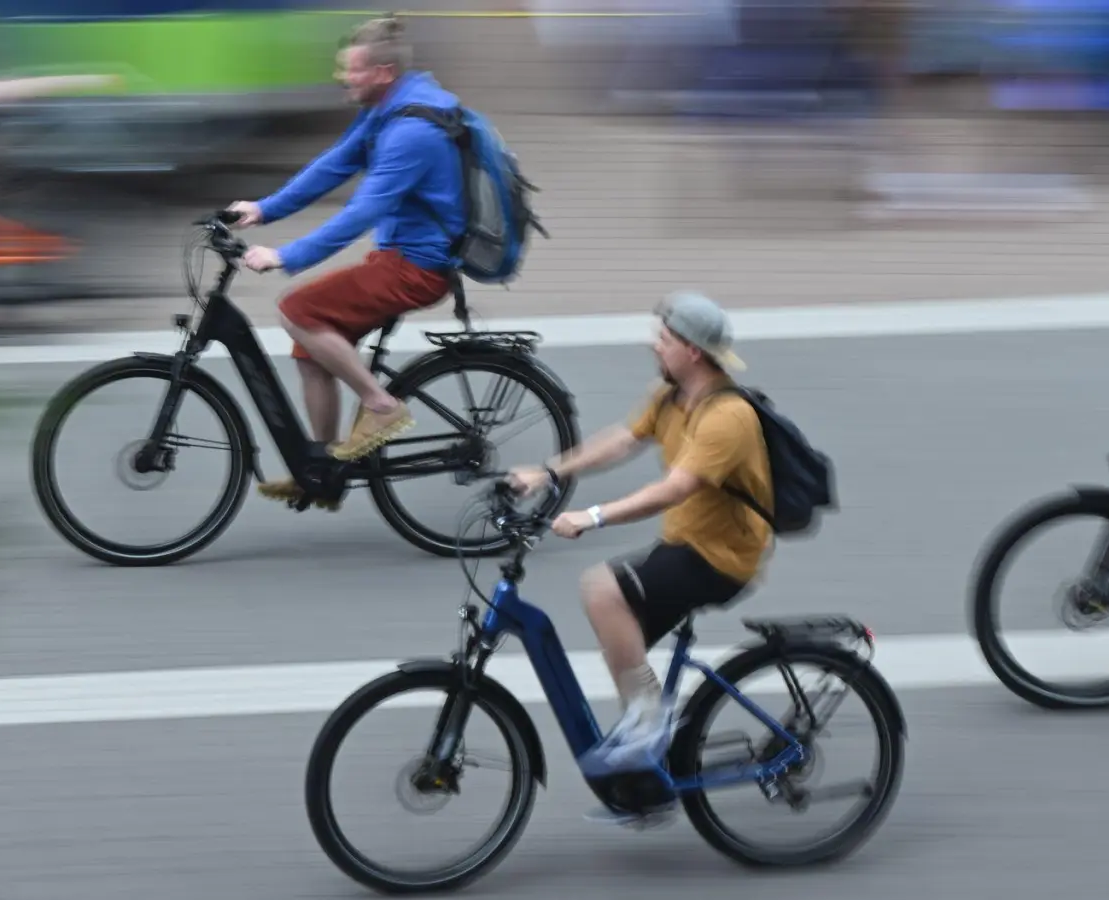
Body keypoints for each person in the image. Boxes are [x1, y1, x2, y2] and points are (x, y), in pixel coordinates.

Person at [507, 291, 774, 797]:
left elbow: (676, 488)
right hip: (684, 542)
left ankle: (651, 723)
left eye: (664, 338)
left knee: (602, 589)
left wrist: (593, 516)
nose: (654, 345)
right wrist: (548, 472)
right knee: (620, 640)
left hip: (721, 558)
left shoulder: (727, 418)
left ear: (693, 351)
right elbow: (624, 440)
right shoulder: (671, 396)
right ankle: (647, 768)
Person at [227, 16, 465, 504]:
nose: (342, 78)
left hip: (417, 267)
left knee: (298, 310)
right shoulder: (388, 109)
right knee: (310, 350)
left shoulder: (411, 132)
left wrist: (286, 255)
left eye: (350, 71)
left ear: (381, 72)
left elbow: (363, 211)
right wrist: (263, 208)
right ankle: (323, 470)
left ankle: (381, 406)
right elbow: (333, 165)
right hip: (398, 254)